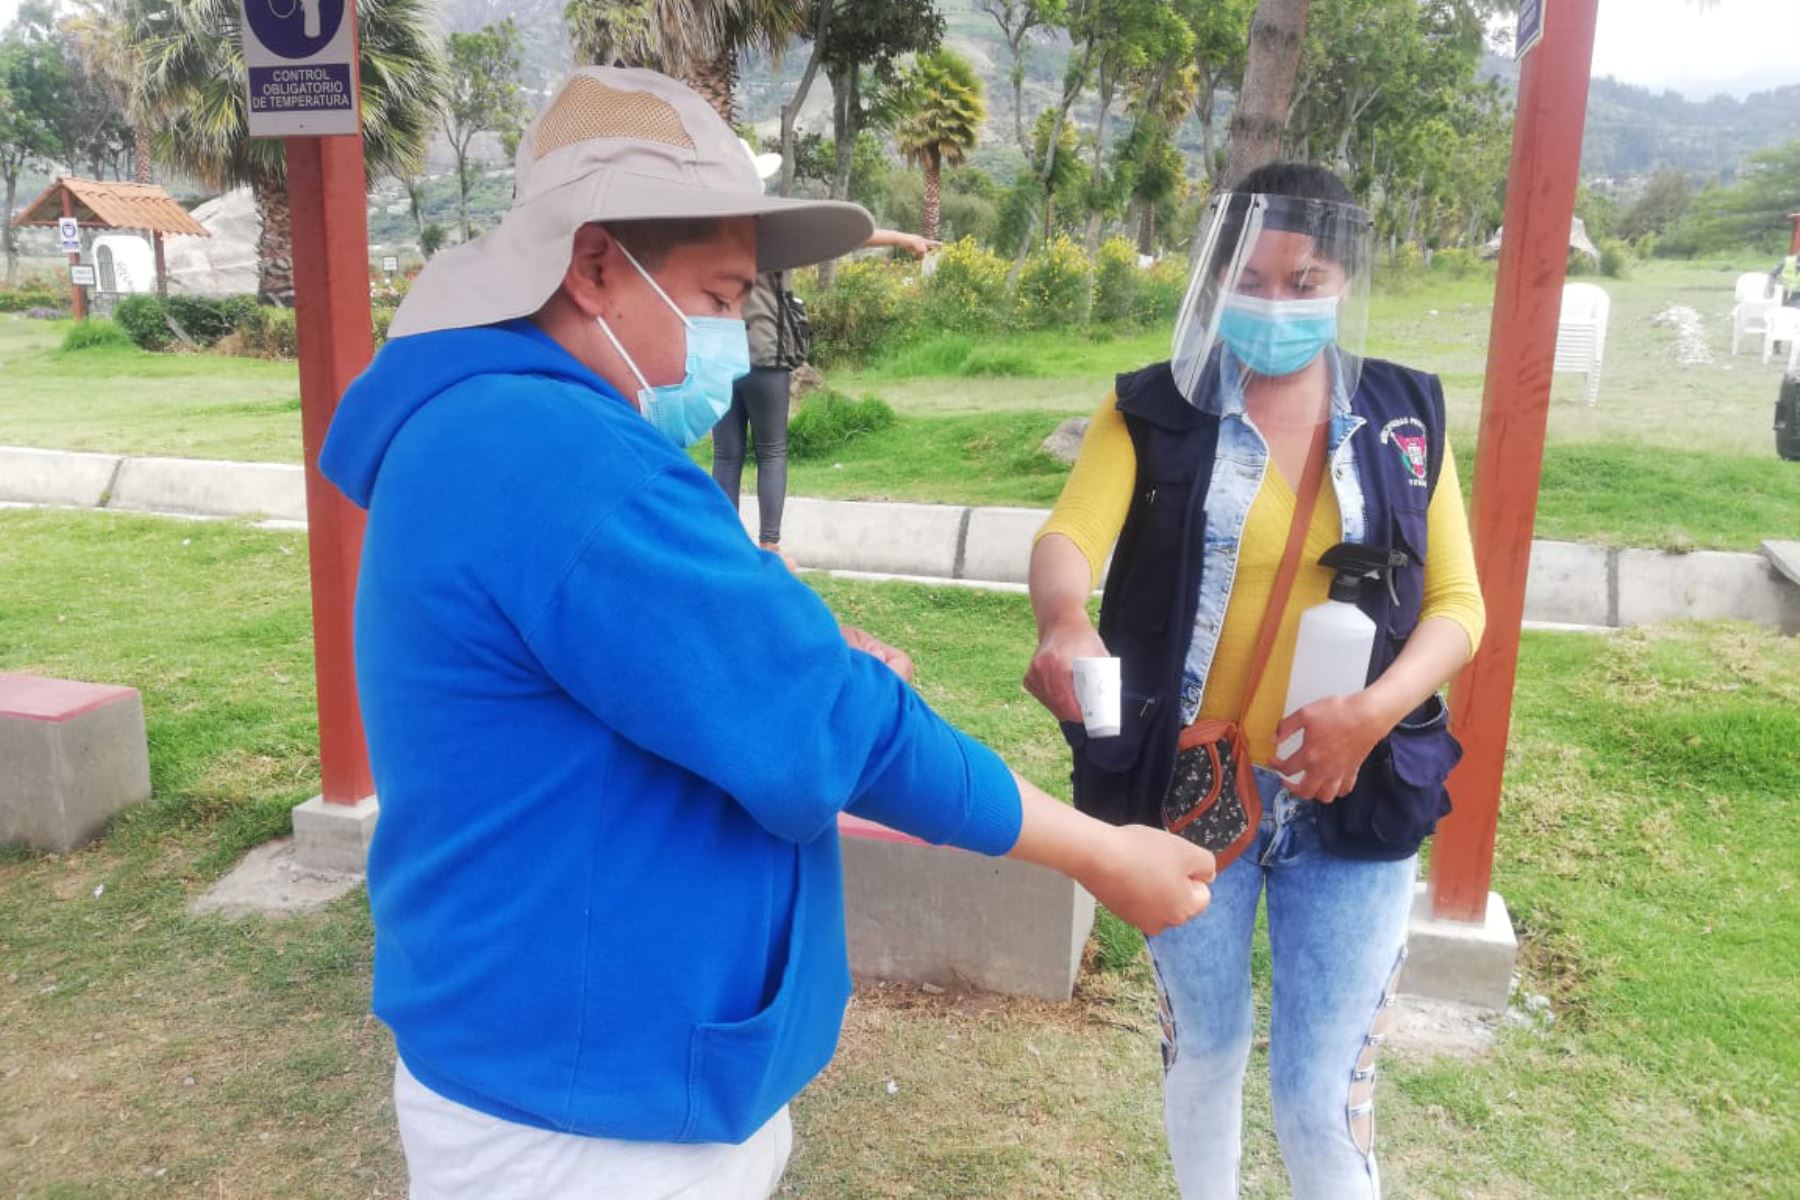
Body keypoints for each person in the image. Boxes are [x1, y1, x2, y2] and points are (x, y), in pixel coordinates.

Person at [319, 66, 1215, 1200]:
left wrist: (789, 650)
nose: (736, 337)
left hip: (548, 1048)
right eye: (717, 294)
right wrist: (1104, 851)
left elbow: (654, 671)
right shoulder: (564, 458)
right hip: (592, 1116)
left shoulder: (489, 427)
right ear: (595, 265)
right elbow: (832, 728)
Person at [1021, 162, 1486, 1200]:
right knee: (1207, 1053)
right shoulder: (1154, 409)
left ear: (1346, 280)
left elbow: (1461, 606)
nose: (1275, 305)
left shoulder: (1407, 420)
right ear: (1212, 277)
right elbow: (1070, 535)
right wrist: (1063, 620)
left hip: (1355, 797)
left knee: (1323, 1099)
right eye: (1251, 279)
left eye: (1304, 279)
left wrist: (1369, 715)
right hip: (1193, 798)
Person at [714, 148, 938, 555]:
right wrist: (905, 239)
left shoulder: (711, 227)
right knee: (772, 451)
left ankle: (724, 544)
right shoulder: (778, 226)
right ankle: (770, 546)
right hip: (769, 358)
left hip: (721, 359)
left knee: (727, 456)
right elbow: (848, 237)